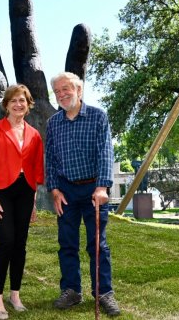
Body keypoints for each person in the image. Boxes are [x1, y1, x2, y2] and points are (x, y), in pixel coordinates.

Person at [45, 72, 120, 316]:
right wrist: (54, 189)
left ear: (79, 90)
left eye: (65, 89)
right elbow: (51, 160)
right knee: (66, 243)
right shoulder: (53, 123)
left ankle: (103, 293)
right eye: (56, 91)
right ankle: (71, 291)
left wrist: (102, 186)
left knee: (97, 244)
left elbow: (105, 153)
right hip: (65, 190)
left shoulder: (98, 116)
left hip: (92, 189)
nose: (61, 94)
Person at [0, 84, 44, 320]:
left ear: (28, 105)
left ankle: (15, 294)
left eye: (22, 101)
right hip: (1, 191)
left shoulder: (34, 134)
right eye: (14, 100)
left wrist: (34, 201)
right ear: (6, 105)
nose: (18, 104)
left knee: (20, 244)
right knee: (6, 241)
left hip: (25, 192)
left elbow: (36, 171)